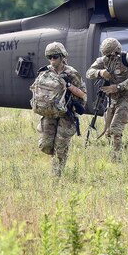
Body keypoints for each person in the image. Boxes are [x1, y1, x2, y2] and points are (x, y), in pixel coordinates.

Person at [86, 37, 128, 160]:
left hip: (126, 96)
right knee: (108, 131)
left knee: (115, 129)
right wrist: (100, 73)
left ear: (117, 51)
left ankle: (116, 158)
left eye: (111, 54)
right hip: (112, 98)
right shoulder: (104, 60)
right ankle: (112, 152)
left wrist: (118, 87)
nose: (109, 57)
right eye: (106, 55)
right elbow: (89, 72)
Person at [33, 42, 86, 176]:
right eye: (49, 57)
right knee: (45, 145)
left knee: (60, 147)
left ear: (62, 56)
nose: (52, 60)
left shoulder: (71, 73)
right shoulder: (44, 72)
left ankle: (57, 175)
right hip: (49, 113)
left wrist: (68, 85)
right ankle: (57, 155)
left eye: (55, 56)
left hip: (66, 114)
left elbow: (83, 95)